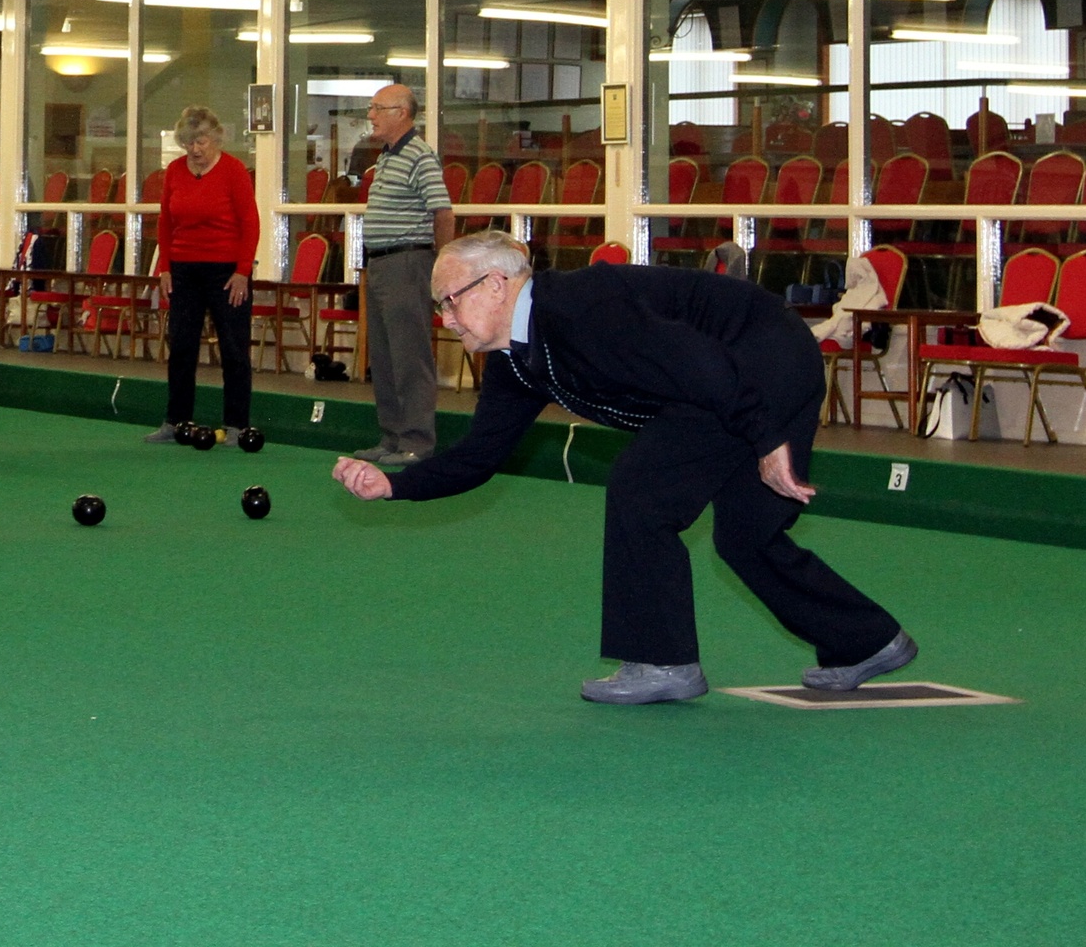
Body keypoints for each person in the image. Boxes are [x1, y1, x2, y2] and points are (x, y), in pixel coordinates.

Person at [331, 230, 916, 705]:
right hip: (727, 382)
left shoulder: (582, 306)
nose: (446, 319)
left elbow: (701, 364)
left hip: (759, 360)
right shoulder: (515, 359)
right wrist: (393, 484)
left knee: (642, 490)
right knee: (745, 536)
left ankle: (664, 662)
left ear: (498, 283)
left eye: (450, 300)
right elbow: (481, 457)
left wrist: (767, 440)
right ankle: (866, 640)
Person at [350, 83, 452, 471]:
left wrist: (441, 264)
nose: (371, 115)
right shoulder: (388, 156)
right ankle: (391, 436)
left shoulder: (420, 156)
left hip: (407, 263)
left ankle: (417, 441)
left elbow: (442, 212)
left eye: (378, 108)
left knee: (410, 356)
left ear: (402, 114)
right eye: (372, 107)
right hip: (380, 264)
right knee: (385, 356)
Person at [149, 104, 260, 443]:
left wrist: (242, 272)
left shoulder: (234, 170)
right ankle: (176, 420)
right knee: (181, 345)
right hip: (184, 268)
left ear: (216, 139)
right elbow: (166, 222)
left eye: (202, 143)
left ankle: (237, 423)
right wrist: (165, 267)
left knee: (233, 348)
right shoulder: (175, 172)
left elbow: (250, 223)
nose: (195, 150)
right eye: (189, 144)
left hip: (226, 271)